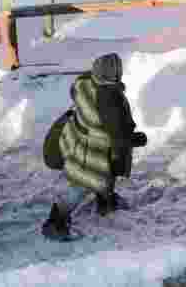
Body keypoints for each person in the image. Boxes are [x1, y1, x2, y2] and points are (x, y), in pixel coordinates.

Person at [41, 53, 147, 241]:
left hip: (78, 137)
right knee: (82, 185)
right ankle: (55, 222)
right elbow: (118, 135)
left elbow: (75, 92)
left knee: (105, 173)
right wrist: (136, 139)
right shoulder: (109, 100)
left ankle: (105, 201)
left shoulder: (84, 81)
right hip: (93, 150)